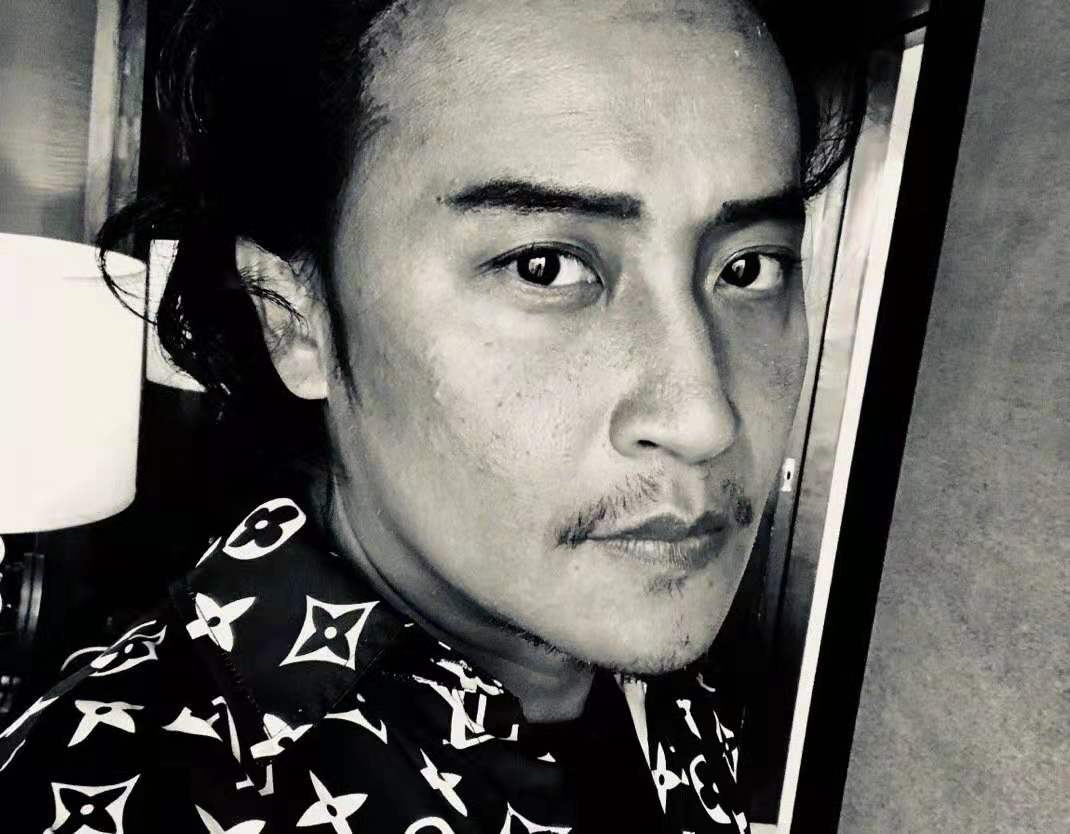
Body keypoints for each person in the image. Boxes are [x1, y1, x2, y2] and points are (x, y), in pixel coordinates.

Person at [0, 0, 862, 830]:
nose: (703, 419)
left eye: (748, 269)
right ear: (292, 315)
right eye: (543, 266)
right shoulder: (116, 793)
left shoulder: (646, 667)